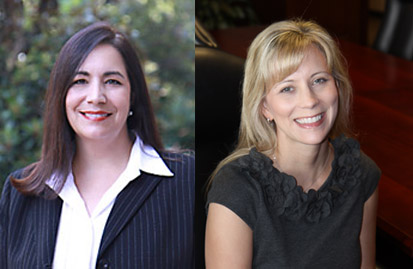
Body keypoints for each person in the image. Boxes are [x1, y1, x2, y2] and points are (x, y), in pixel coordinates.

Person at [0, 22, 194, 268]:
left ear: (133, 94)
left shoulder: (187, 182)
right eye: (80, 81)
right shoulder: (21, 194)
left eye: (112, 81)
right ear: (62, 95)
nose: (95, 97)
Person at [205, 20, 381, 268]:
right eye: (287, 88)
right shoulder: (237, 189)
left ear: (337, 87)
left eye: (319, 80)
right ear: (265, 107)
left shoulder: (360, 173)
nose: (309, 100)